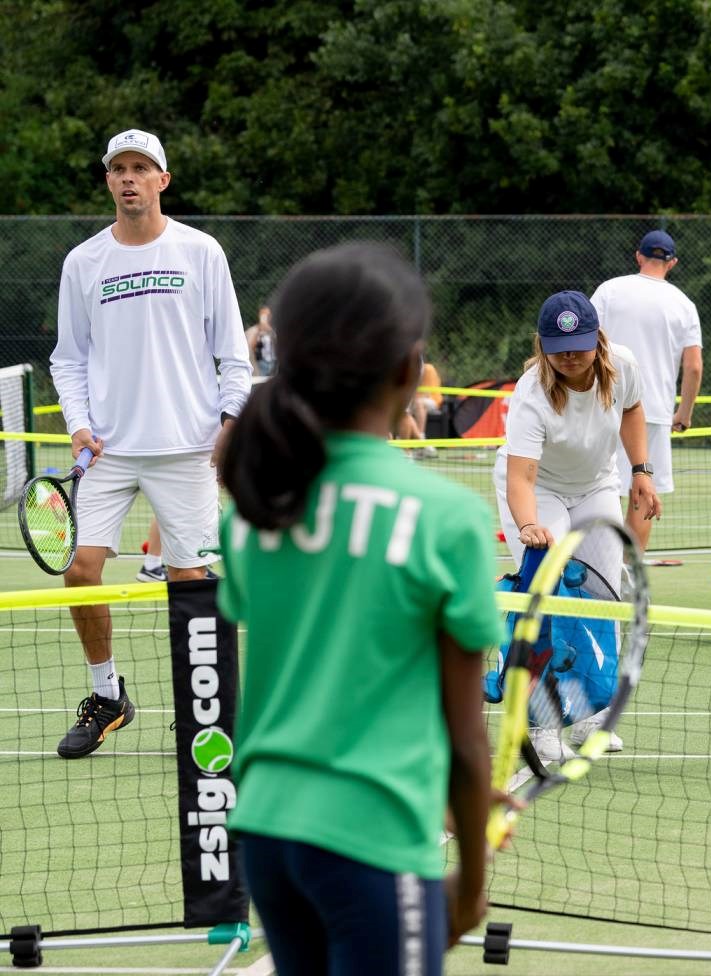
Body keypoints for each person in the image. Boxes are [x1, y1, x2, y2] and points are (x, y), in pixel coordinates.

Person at [217, 242, 501, 973]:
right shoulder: (446, 517)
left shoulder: (254, 507)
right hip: (371, 841)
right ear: (411, 369)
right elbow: (467, 739)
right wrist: (470, 886)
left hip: (268, 836)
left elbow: (324, 670)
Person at [48, 128, 249, 759]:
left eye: (142, 169)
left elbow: (233, 355)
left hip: (186, 449)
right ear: (108, 180)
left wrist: (228, 423)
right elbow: (68, 358)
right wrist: (78, 424)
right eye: (119, 169)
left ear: (163, 180)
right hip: (108, 451)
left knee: (191, 579)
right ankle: (108, 697)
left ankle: (207, 711)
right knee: (82, 573)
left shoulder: (201, 251)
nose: (129, 179)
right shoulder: (82, 263)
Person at [496, 290, 660, 759]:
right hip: (537, 490)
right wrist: (529, 525)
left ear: (598, 341)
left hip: (595, 485)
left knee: (604, 595)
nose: (570, 355)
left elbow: (631, 409)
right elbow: (521, 477)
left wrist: (642, 473)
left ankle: (592, 714)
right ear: (542, 345)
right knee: (547, 599)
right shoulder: (531, 394)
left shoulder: (623, 366)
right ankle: (541, 723)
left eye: (579, 344)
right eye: (558, 345)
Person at [591, 229, 704, 554]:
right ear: (673, 263)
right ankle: (629, 577)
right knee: (642, 493)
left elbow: (586, 340)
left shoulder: (609, 290)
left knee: (597, 489)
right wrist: (684, 412)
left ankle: (599, 571)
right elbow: (694, 366)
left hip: (601, 405)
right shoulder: (683, 304)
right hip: (651, 412)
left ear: (639, 256)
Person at [244, 304, 276, 376]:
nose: (266, 318)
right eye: (263, 315)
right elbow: (250, 348)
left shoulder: (274, 330)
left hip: (273, 363)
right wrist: (259, 332)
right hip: (261, 363)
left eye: (268, 315)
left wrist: (270, 330)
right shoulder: (254, 331)